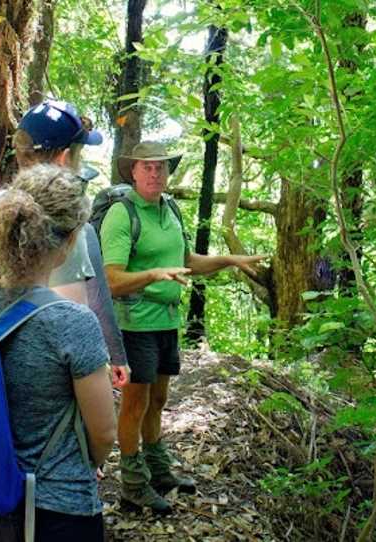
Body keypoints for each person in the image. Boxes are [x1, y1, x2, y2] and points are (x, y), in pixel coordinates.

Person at [100, 141, 266, 513]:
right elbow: (111, 279)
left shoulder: (170, 209)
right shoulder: (121, 215)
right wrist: (153, 275)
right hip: (135, 323)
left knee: (158, 400)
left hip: (166, 321)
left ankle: (159, 471)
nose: (155, 173)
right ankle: (131, 484)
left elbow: (185, 261)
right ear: (133, 171)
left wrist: (229, 260)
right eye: (147, 166)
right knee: (135, 403)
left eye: (161, 166)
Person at [0, 164, 115, 541]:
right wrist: (84, 464)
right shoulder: (73, 322)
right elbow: (104, 433)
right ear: (68, 242)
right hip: (60, 508)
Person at [0, 99, 129, 387]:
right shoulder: (67, 227)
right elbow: (73, 325)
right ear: (64, 158)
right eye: (79, 153)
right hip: (40, 389)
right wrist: (114, 358)